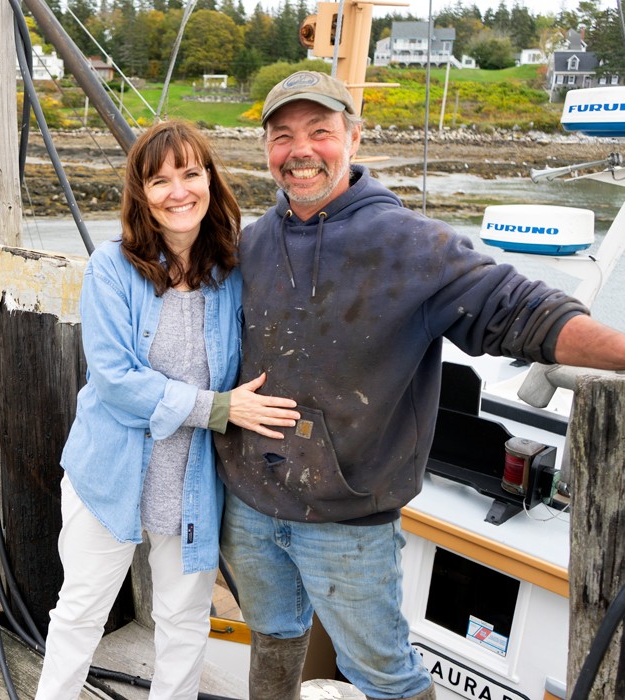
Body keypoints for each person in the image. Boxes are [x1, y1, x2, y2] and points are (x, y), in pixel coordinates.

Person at [214, 69, 625, 700]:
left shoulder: (413, 246)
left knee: (385, 675)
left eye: (319, 131)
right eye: (282, 135)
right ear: (266, 148)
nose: (299, 150)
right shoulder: (253, 243)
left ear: (354, 137)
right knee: (272, 635)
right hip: (248, 500)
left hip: (347, 520)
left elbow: (523, 312)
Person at [35, 119, 300, 699]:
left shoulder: (234, 275)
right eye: (159, 180)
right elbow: (116, 381)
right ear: (141, 195)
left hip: (193, 484)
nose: (178, 190)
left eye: (190, 173)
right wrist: (217, 407)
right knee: (81, 611)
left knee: (184, 624)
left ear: (210, 180)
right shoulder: (111, 268)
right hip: (108, 474)